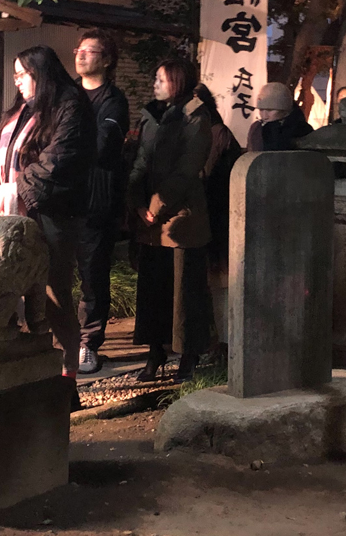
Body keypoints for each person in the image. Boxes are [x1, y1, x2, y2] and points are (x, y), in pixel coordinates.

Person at [0, 45, 95, 379]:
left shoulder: (70, 106)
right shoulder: (20, 109)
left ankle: (66, 374)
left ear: (41, 73)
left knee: (54, 293)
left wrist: (17, 190)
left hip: (52, 214)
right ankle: (20, 370)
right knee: (6, 282)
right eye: (15, 75)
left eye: (22, 74)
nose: (17, 82)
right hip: (8, 212)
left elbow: (59, 160)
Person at [129, 58, 213, 383]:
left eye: (161, 80)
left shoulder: (196, 117)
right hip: (150, 222)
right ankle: (155, 353)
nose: (155, 84)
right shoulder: (151, 115)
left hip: (181, 220)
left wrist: (155, 206)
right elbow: (140, 160)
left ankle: (188, 357)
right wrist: (137, 201)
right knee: (153, 290)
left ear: (178, 82)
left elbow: (187, 170)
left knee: (184, 294)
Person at [73, 30, 129, 374]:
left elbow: (103, 146)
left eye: (90, 51)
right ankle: (59, 339)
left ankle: (89, 343)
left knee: (93, 276)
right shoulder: (68, 93)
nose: (81, 56)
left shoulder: (114, 101)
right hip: (63, 197)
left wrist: (66, 142)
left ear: (107, 60)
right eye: (79, 50)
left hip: (96, 200)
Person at [194, 84, 241, 350]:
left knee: (220, 281)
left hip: (216, 217)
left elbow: (212, 177)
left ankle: (223, 341)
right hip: (196, 218)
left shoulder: (218, 133)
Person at [246, 81, 312, 152]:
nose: (264, 116)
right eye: (261, 110)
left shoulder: (301, 129)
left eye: (270, 110)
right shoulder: (256, 128)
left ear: (285, 110)